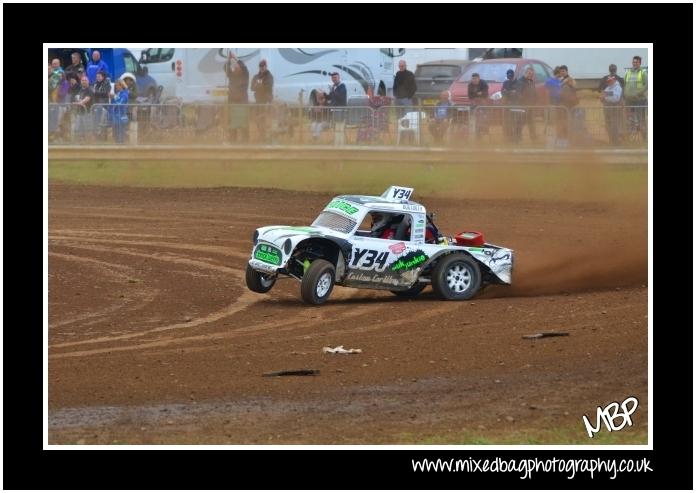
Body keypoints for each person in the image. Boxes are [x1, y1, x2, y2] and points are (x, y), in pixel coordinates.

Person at [224, 52, 250, 143]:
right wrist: (228, 60)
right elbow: (226, 69)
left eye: (237, 67)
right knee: (232, 123)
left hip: (242, 102)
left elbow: (244, 67)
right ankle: (232, 139)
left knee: (244, 122)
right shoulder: (232, 76)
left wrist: (235, 58)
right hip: (233, 102)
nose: (235, 68)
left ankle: (245, 140)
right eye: (234, 67)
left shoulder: (245, 75)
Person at [623, 55, 647, 142]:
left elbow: (647, 85)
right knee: (630, 119)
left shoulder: (643, 73)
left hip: (639, 100)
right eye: (633, 62)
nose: (634, 63)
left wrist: (638, 93)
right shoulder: (628, 73)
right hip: (629, 100)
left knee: (641, 119)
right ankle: (632, 139)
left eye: (636, 62)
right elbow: (625, 84)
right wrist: (625, 94)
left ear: (640, 63)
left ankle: (645, 138)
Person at [250, 59, 274, 142]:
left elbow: (268, 87)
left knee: (266, 119)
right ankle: (262, 135)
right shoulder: (256, 77)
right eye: (260, 66)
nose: (262, 68)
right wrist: (258, 85)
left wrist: (260, 85)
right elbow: (252, 88)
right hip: (258, 101)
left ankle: (266, 136)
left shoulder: (269, 76)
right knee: (258, 119)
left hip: (266, 101)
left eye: (263, 66)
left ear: (266, 66)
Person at [517, 67, 538, 143]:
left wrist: (535, 102)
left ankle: (534, 138)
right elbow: (519, 94)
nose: (531, 75)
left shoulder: (531, 81)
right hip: (523, 107)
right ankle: (518, 139)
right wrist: (524, 103)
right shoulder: (520, 82)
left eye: (532, 74)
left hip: (531, 106)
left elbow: (534, 93)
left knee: (531, 123)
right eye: (529, 73)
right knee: (520, 123)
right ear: (525, 73)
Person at [600, 76, 623, 145]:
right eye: (608, 81)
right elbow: (603, 95)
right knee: (608, 125)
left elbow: (616, 98)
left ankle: (616, 141)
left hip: (615, 109)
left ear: (614, 80)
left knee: (614, 125)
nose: (609, 82)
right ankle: (611, 140)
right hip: (607, 110)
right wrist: (602, 98)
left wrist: (605, 98)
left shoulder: (618, 88)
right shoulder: (608, 88)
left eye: (610, 81)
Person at [501, 68, 520, 143]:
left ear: (513, 75)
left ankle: (516, 138)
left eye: (510, 75)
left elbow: (516, 93)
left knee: (516, 122)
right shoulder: (505, 83)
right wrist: (510, 92)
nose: (509, 76)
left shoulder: (518, 82)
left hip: (516, 105)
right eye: (508, 75)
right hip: (507, 105)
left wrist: (507, 92)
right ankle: (509, 138)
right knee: (507, 123)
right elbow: (502, 92)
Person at [467, 73, 489, 137]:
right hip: (474, 102)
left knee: (484, 117)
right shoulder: (470, 85)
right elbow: (470, 96)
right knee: (474, 118)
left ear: (479, 78)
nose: (474, 80)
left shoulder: (484, 83)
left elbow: (485, 94)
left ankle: (485, 132)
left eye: (475, 78)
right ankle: (476, 132)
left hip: (483, 102)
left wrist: (478, 95)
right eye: (473, 78)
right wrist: (478, 94)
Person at [110, 79, 129, 144]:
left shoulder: (124, 94)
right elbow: (113, 103)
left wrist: (114, 98)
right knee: (115, 132)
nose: (116, 87)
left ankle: (121, 145)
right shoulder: (118, 93)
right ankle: (117, 144)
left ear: (121, 86)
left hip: (121, 115)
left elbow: (120, 103)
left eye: (117, 86)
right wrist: (112, 98)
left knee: (120, 132)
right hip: (116, 115)